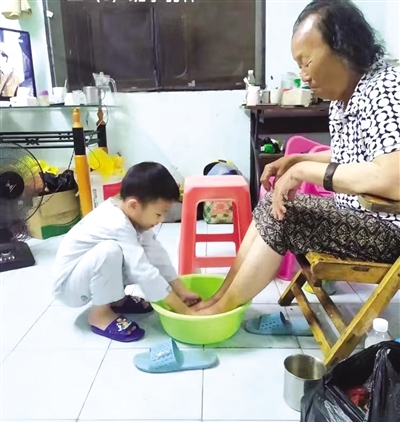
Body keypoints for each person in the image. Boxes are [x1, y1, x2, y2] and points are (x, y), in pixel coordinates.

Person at [194, 0, 400, 316]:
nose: (303, 76)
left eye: (306, 62)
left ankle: (220, 311)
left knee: (285, 216)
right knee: (270, 205)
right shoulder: (348, 94)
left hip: (388, 231)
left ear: (343, 48)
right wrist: (297, 160)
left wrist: (305, 170)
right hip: (360, 214)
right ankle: (220, 297)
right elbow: (361, 155)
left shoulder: (385, 86)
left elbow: (392, 178)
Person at [53, 162, 199, 342]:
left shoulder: (131, 217)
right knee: (111, 252)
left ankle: (116, 301)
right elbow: (143, 271)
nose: (161, 220)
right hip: (70, 288)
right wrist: (182, 310)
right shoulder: (116, 223)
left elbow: (156, 255)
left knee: (140, 253)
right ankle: (100, 314)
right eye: (158, 214)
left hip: (85, 274)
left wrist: (181, 290)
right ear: (133, 205)